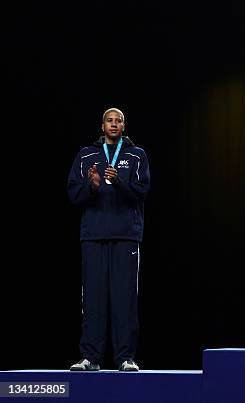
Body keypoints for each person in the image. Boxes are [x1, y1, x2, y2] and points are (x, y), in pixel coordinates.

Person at [67, 108, 150, 371]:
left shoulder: (137, 155)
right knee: (92, 299)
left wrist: (119, 182)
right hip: (93, 235)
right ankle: (90, 357)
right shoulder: (86, 155)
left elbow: (142, 192)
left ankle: (125, 358)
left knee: (124, 300)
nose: (114, 125)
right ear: (102, 126)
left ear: (124, 127)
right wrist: (91, 187)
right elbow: (73, 196)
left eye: (118, 121)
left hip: (126, 235)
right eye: (109, 121)